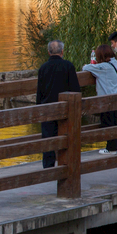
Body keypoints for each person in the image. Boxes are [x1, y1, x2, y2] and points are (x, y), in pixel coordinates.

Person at [36, 40, 81, 168]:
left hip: (47, 109)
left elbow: (40, 91)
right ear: (62, 51)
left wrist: (38, 108)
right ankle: (66, 165)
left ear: (48, 52)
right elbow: (75, 89)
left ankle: (48, 167)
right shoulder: (68, 66)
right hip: (65, 109)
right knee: (66, 138)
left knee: (48, 140)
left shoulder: (43, 68)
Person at [82, 44, 117, 154]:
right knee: (115, 122)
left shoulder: (103, 67)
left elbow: (86, 67)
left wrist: (92, 63)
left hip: (106, 100)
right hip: (116, 97)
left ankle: (111, 148)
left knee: (108, 123)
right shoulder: (115, 63)